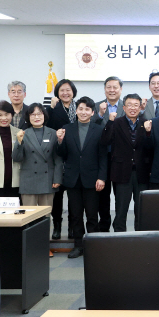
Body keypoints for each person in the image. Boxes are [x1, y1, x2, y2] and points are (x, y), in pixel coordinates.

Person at [56, 96, 107, 258]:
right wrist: (60, 141)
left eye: (87, 109)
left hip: (92, 179)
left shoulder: (99, 129)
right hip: (72, 179)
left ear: (92, 112)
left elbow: (103, 156)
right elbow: (62, 154)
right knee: (75, 215)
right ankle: (78, 246)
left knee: (92, 215)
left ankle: (93, 247)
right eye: (81, 109)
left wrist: (102, 177)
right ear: (76, 111)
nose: (83, 112)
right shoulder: (67, 128)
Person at [101, 94, 151, 231]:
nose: (132, 108)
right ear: (124, 107)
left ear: (140, 107)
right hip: (121, 172)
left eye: (136, 105)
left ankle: (141, 236)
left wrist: (148, 133)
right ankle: (119, 237)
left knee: (141, 209)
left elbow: (150, 148)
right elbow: (105, 141)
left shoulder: (146, 123)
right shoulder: (116, 122)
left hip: (141, 172)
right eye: (129, 105)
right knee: (121, 209)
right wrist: (109, 122)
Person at [13, 103, 62, 207]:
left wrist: (57, 178)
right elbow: (17, 158)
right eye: (33, 114)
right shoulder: (23, 133)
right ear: (28, 117)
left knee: (46, 214)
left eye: (39, 114)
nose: (36, 117)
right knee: (30, 214)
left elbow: (58, 159)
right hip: (28, 181)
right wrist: (19, 142)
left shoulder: (53, 133)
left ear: (44, 115)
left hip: (47, 180)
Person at [46, 79, 78, 240]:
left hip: (75, 157)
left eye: (68, 90)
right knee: (57, 196)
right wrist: (51, 108)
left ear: (73, 92)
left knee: (74, 196)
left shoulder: (80, 107)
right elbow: (46, 125)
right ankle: (57, 225)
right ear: (57, 93)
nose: (65, 93)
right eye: (62, 90)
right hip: (57, 156)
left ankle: (72, 226)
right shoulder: (52, 108)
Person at [93, 76, 125, 232]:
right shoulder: (96, 106)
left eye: (115, 87)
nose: (112, 90)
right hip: (102, 157)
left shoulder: (127, 106)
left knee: (121, 195)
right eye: (109, 87)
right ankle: (104, 226)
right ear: (105, 89)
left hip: (120, 158)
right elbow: (91, 127)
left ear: (121, 89)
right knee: (103, 196)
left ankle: (119, 227)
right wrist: (100, 114)